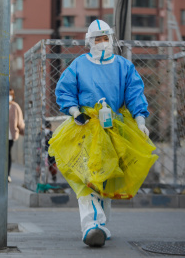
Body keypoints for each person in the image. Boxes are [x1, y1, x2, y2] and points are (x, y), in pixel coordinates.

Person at [55, 19, 150, 247]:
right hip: (84, 128)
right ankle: (92, 224)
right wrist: (75, 111)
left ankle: (101, 224)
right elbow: (64, 90)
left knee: (106, 179)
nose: (102, 43)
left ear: (111, 39)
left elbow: (135, 93)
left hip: (113, 129)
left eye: (105, 38)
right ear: (89, 41)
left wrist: (140, 119)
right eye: (97, 39)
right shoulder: (79, 65)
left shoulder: (123, 67)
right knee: (87, 177)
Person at [8, 88, 25, 183]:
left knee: (7, 153)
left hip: (10, 135)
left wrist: (23, 131)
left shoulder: (15, 107)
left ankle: (7, 174)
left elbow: (20, 121)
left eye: (10, 94)